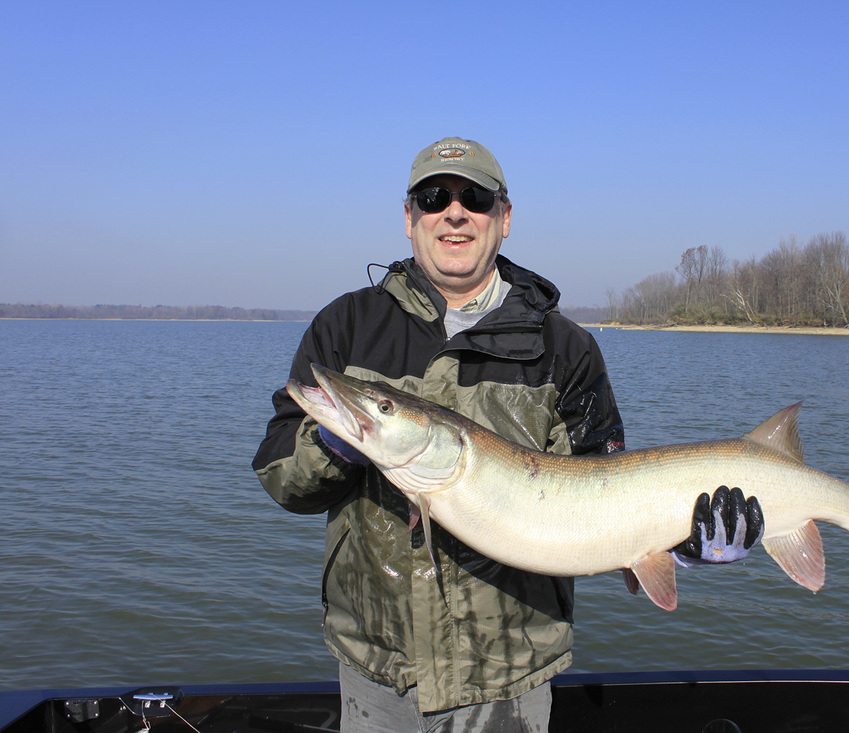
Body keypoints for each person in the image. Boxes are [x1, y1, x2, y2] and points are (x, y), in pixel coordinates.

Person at [253, 137, 763, 732]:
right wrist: (334, 442)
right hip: (376, 670)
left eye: (475, 198)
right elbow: (281, 479)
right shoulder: (345, 327)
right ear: (410, 218)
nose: (455, 212)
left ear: (505, 217)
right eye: (434, 197)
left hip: (509, 678)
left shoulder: (564, 347)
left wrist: (681, 541)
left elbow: (608, 490)